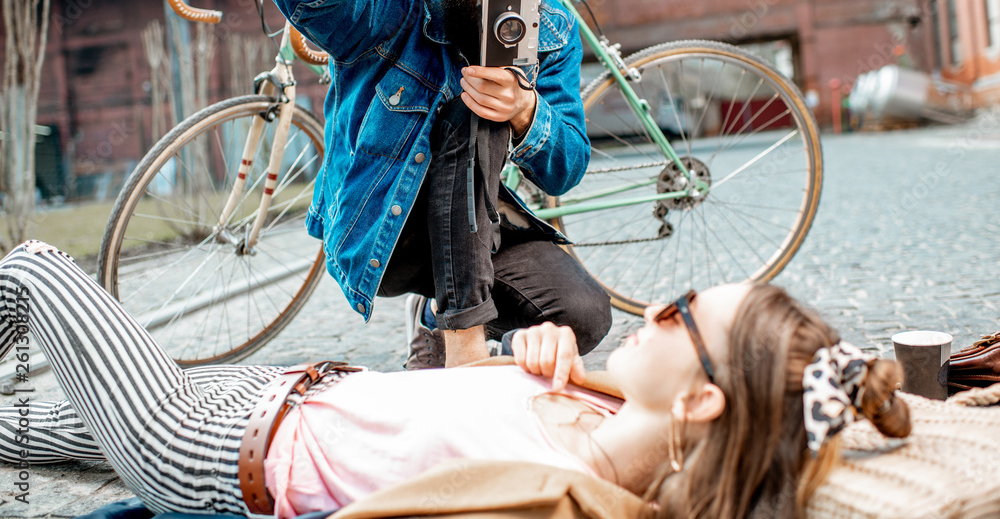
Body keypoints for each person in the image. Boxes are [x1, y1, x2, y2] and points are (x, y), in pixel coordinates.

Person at [0, 241, 910, 518]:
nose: (656, 310)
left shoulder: (560, 495)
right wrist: (544, 364)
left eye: (680, 309)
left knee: (38, 267)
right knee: (20, 425)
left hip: (208, 448)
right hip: (276, 393)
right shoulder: (598, 415)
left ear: (701, 398)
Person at [264, 0, 611, 369]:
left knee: (585, 313)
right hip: (386, 228)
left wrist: (525, 111)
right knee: (473, 107)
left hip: (478, 227)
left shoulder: (551, 27)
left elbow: (567, 170)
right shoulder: (388, 3)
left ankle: (440, 321)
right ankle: (465, 344)